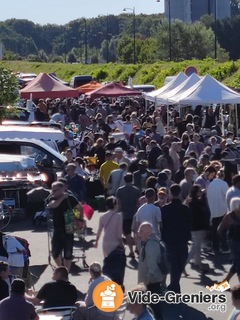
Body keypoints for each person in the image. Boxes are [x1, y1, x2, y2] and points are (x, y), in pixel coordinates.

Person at [161, 184, 191, 293]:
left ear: (170, 193)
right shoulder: (185, 208)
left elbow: (162, 224)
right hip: (182, 239)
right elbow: (189, 223)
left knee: (173, 263)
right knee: (180, 262)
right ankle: (175, 285)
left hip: (169, 239)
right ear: (180, 193)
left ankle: (174, 285)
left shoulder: (165, 208)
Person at [47, 181, 83, 271]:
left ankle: (66, 271)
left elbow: (80, 207)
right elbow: (53, 205)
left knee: (68, 253)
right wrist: (63, 197)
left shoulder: (70, 198)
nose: (53, 192)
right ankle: (61, 268)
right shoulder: (52, 198)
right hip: (57, 228)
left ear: (62, 189)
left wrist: (80, 219)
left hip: (69, 228)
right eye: (52, 190)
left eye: (55, 190)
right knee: (55, 252)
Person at [184, 185, 210, 271]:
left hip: (196, 227)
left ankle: (196, 262)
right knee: (196, 247)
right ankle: (191, 264)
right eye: (199, 191)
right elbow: (199, 214)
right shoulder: (194, 203)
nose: (201, 192)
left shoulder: (193, 202)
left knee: (195, 246)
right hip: (197, 227)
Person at [116, 173, 140, 258]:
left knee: (127, 234)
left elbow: (119, 205)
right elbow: (138, 203)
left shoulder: (120, 190)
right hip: (135, 214)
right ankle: (137, 247)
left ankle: (131, 251)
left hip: (125, 215)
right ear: (132, 179)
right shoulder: (136, 190)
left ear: (124, 180)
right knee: (136, 232)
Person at [218, 197, 240, 283]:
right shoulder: (229, 216)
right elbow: (220, 229)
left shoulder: (229, 216)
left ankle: (225, 282)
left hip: (235, 241)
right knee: (239, 264)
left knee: (236, 263)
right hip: (234, 242)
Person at [207, 169, 229, 252]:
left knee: (214, 230)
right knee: (223, 230)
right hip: (222, 210)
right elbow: (227, 196)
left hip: (213, 210)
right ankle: (224, 247)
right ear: (223, 176)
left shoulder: (211, 184)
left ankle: (215, 247)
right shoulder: (224, 184)